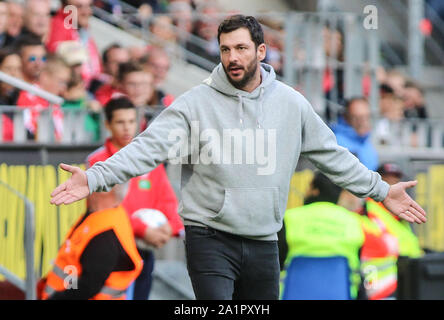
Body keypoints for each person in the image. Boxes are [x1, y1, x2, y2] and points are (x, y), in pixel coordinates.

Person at [50, 15, 427, 300]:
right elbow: (148, 147)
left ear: (261, 52)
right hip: (209, 238)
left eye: (241, 48)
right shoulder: (196, 103)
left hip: (264, 240)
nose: (232, 57)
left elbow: (332, 156)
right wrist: (94, 177)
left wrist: (380, 190)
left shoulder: (291, 104)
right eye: (226, 49)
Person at [86, 96, 184, 300]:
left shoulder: (149, 158)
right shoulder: (98, 161)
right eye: (120, 122)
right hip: (112, 251)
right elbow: (105, 209)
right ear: (107, 124)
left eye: (131, 121)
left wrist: (170, 227)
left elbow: (167, 199)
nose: (127, 128)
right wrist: (142, 229)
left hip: (144, 250)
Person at [279, 172, 382, 299]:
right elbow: (359, 271)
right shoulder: (354, 221)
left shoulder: (289, 218)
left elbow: (274, 266)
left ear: (314, 190)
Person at [38, 183, 144, 300]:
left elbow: (87, 287)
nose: (84, 179)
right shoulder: (101, 216)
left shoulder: (105, 234)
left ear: (105, 190)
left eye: (93, 175)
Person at [360, 163, 422, 299]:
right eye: (387, 179)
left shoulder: (400, 212)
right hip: (381, 283)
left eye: (396, 179)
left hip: (406, 274)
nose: (392, 183)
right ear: (378, 181)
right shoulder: (368, 208)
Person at [16, 55, 70, 140]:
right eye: (61, 82)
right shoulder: (29, 97)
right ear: (45, 77)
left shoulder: (53, 102)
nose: (64, 87)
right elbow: (33, 132)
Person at [331, 97, 379, 171]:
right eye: (357, 118)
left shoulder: (366, 141)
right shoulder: (336, 142)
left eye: (367, 117)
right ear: (346, 117)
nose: (363, 122)